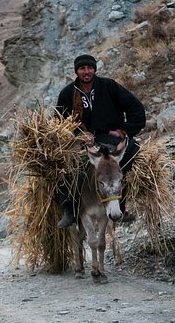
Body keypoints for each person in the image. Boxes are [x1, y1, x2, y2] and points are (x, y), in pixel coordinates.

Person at [55, 54, 146, 228]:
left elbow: (136, 109)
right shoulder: (67, 93)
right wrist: (77, 134)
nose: (86, 72)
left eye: (89, 68)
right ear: (77, 71)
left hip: (110, 139)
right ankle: (70, 209)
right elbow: (58, 123)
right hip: (81, 142)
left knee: (132, 153)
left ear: (94, 69)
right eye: (82, 68)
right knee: (63, 165)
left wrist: (123, 131)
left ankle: (121, 206)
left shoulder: (109, 86)